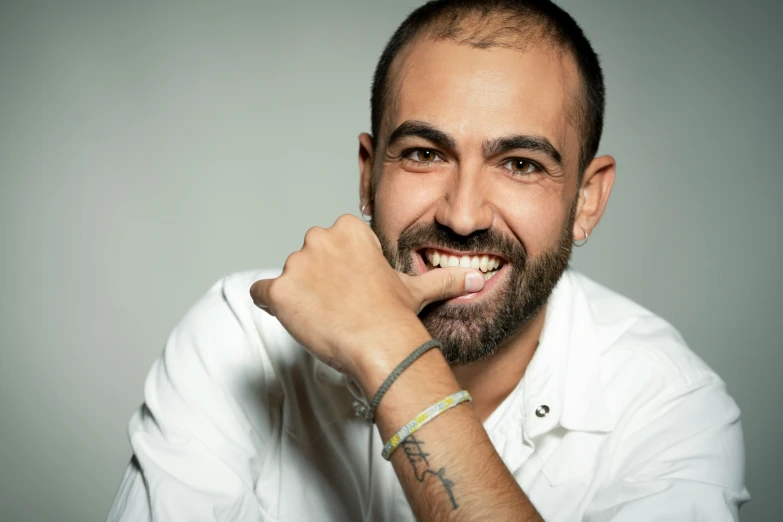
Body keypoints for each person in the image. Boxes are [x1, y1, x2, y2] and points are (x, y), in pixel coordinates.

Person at [107, 1, 749, 520]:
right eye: (422, 153)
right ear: (368, 176)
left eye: (521, 164)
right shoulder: (239, 337)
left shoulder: (670, 407)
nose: (463, 215)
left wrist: (390, 352)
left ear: (587, 200)